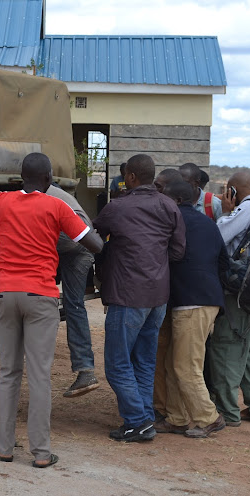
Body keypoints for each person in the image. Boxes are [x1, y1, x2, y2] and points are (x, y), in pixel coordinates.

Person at [0, 153, 103, 468]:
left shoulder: (2, 201)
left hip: (6, 295)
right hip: (40, 297)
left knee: (9, 372)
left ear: (21, 177)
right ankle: (40, 453)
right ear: (49, 178)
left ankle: (5, 449)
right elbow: (94, 244)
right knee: (39, 376)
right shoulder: (57, 206)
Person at [93, 154, 186, 442]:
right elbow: (177, 251)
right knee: (144, 361)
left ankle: (137, 420)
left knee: (118, 364)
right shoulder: (169, 205)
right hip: (157, 295)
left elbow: (95, 239)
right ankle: (144, 418)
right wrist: (153, 263)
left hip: (126, 294)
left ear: (130, 177)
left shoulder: (117, 207)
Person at [154, 181, 228, 438]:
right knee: (174, 362)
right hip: (205, 300)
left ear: (170, 199)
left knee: (186, 366)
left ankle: (208, 417)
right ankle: (177, 418)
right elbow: (224, 262)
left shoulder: (172, 221)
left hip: (191, 303)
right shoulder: (207, 222)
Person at [207, 172, 250, 426]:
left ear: (232, 191)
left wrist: (225, 212)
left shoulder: (246, 208)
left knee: (225, 349)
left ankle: (228, 412)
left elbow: (218, 236)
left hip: (238, 294)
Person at [46, 184, 100, 398]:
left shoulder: (35, 195)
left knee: (38, 296)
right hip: (83, 243)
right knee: (74, 305)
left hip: (73, 240)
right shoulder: (61, 194)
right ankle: (85, 370)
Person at [150, 167, 184, 419]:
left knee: (164, 359)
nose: (155, 190)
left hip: (172, 299)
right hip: (168, 297)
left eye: (160, 187)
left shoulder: (171, 217)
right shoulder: (164, 213)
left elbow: (175, 255)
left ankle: (164, 410)